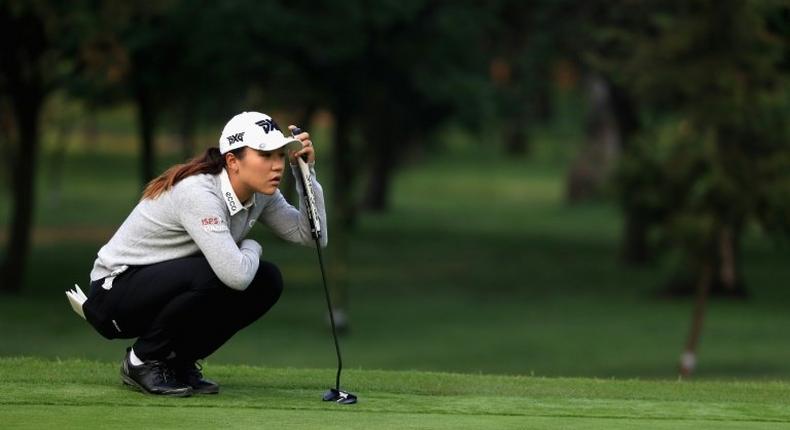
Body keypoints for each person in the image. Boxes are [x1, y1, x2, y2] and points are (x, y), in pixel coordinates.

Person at [81, 111, 327, 397]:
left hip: (159, 288)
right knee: (218, 273)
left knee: (267, 280)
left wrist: (305, 175)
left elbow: (312, 236)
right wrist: (252, 246)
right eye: (265, 155)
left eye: (280, 156)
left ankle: (176, 361)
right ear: (233, 162)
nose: (277, 166)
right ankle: (141, 360)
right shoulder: (199, 193)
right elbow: (234, 275)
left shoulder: (262, 194)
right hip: (113, 294)